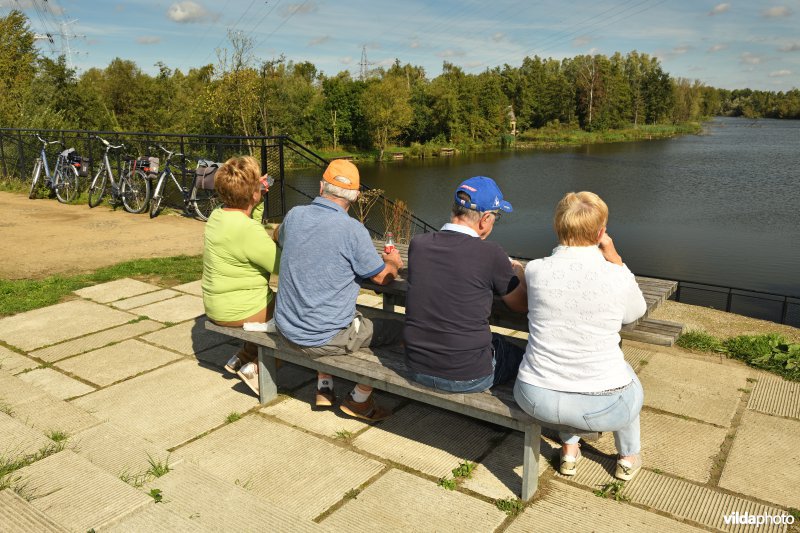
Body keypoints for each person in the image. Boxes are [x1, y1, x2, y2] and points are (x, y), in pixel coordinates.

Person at [513, 191, 647, 481]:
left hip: (533, 396)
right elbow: (634, 312)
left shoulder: (535, 270)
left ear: (556, 227)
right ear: (601, 233)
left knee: (563, 366)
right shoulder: (616, 274)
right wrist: (616, 259)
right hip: (604, 407)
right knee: (625, 376)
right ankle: (627, 457)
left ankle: (569, 451)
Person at [274, 159, 404, 421]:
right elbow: (382, 278)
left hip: (287, 329)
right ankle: (359, 400)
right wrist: (393, 262)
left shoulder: (295, 215)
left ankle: (324, 386)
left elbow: (277, 235)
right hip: (322, 338)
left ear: (321, 186)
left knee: (336, 309)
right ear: (355, 196)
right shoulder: (352, 230)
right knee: (403, 330)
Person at [404, 176, 528, 393]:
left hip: (416, 366)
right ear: (485, 219)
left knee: (491, 341)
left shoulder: (418, 245)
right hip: (467, 377)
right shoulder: (491, 253)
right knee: (522, 357)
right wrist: (519, 272)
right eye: (495, 218)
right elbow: (520, 305)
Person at [201, 156, 280, 394]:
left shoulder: (217, 215)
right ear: (254, 194)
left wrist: (257, 199)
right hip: (240, 311)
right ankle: (257, 370)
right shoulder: (248, 232)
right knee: (298, 314)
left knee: (259, 297)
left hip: (215, 307)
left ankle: (241, 356)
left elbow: (247, 219)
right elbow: (282, 266)